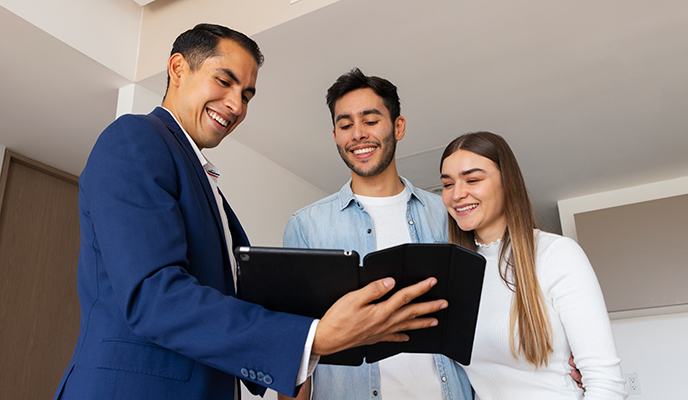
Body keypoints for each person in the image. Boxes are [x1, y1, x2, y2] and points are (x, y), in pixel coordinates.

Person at [53, 24, 449, 400]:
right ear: (178, 68)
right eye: (224, 82)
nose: (235, 105)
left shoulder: (205, 182)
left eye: (246, 95)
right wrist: (315, 337)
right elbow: (154, 296)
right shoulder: (135, 139)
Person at [281, 69, 473, 400]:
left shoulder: (448, 213)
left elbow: (487, 312)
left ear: (398, 127)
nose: (357, 134)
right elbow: (294, 347)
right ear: (335, 134)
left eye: (370, 121)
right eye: (345, 125)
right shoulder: (306, 226)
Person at [439, 131, 627, 399]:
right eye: (447, 184)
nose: (457, 194)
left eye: (473, 179)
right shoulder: (453, 273)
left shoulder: (555, 254)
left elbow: (606, 383)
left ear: (508, 183)